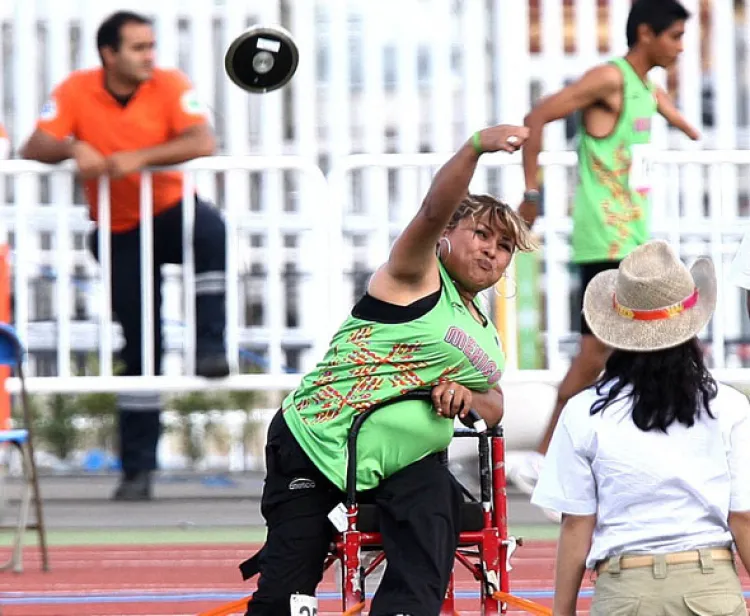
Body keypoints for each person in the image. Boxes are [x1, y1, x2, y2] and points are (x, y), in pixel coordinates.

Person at [243, 124, 535, 616]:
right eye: (481, 234)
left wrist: (466, 396)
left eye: (503, 245)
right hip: (317, 445)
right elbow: (431, 209)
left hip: (404, 467)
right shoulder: (414, 275)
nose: (491, 250)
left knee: (435, 498)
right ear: (447, 238)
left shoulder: (485, 332)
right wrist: (474, 148)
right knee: (287, 598)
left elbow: (495, 401)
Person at [20, 11, 229, 502]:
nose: (149, 56)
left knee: (211, 230)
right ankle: (137, 470)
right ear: (108, 54)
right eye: (137, 48)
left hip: (171, 210)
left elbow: (203, 139)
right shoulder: (77, 89)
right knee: (139, 349)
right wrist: (76, 147)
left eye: (151, 46)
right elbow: (36, 145)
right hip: (118, 229)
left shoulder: (170, 83)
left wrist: (139, 158)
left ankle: (210, 345)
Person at [509, 0, 701, 502]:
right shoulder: (609, 79)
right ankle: (543, 454)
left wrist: (675, 113)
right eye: (675, 36)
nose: (681, 46)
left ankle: (606, 453)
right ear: (645, 32)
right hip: (605, 239)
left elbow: (679, 120)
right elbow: (539, 114)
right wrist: (532, 193)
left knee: (643, 344)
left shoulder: (642, 87)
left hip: (634, 241)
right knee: (598, 349)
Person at [530, 240, 750, 616]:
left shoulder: (583, 411)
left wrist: (562, 611)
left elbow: (576, 526)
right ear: (691, 330)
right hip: (708, 584)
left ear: (617, 332)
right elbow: (742, 517)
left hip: (624, 589)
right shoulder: (728, 406)